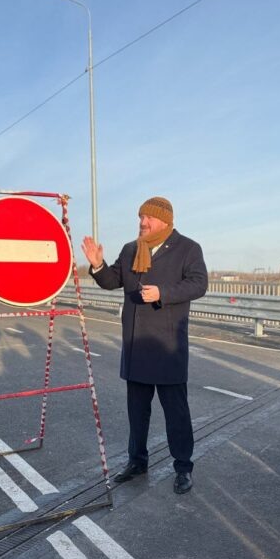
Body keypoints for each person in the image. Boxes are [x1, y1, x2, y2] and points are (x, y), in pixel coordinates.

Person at [81, 197, 208, 494]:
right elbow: (112, 281)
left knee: (176, 414)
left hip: (167, 348)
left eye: (148, 217)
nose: (142, 222)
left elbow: (199, 284)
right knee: (137, 414)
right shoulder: (130, 249)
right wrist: (98, 264)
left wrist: (162, 292)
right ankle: (137, 462)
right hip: (137, 345)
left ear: (164, 220)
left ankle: (183, 467)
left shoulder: (188, 248)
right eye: (140, 217)